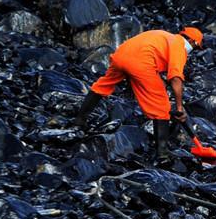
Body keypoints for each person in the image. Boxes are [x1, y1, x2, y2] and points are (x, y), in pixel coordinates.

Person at [73, 27, 203, 160]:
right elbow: (175, 77)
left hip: (121, 54)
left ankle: (79, 121)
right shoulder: (179, 46)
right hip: (141, 62)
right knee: (161, 104)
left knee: (102, 86)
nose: (193, 51)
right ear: (192, 41)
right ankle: (163, 153)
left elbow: (144, 51)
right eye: (196, 47)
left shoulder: (163, 35)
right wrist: (180, 107)